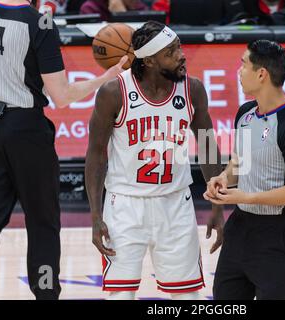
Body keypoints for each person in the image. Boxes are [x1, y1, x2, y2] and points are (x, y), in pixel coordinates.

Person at [0, 0, 126, 300]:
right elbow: (62, 96)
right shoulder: (40, 23)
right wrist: (105, 78)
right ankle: (45, 295)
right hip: (27, 130)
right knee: (43, 221)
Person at [85, 21, 224, 300]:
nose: (181, 55)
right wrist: (96, 215)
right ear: (148, 60)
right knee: (121, 295)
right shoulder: (113, 93)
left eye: (180, 47)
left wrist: (218, 206)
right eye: (171, 51)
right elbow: (96, 154)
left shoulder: (193, 89)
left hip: (175, 204)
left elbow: (208, 147)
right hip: (124, 205)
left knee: (188, 296)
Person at [204, 40, 285, 300]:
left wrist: (246, 196)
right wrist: (222, 178)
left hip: (277, 236)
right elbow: (238, 163)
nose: (239, 71)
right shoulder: (245, 113)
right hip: (240, 228)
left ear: (261, 74)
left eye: (243, 64)